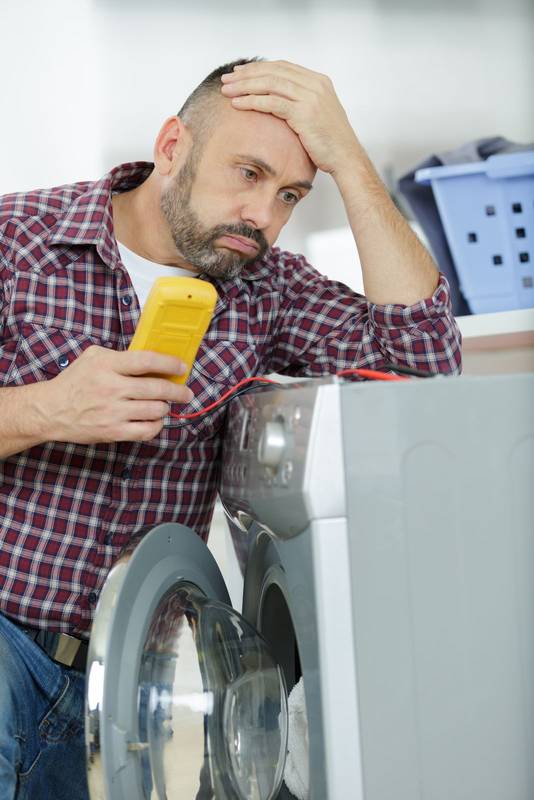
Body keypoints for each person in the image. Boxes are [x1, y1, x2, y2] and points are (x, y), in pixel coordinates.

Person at [0, 57, 461, 799]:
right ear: (171, 146)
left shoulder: (267, 288)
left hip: (136, 690)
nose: (263, 216)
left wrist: (350, 160)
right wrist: (46, 408)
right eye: (248, 173)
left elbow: (425, 365)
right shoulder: (17, 239)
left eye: (290, 195)